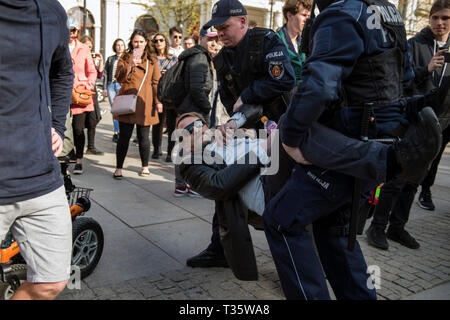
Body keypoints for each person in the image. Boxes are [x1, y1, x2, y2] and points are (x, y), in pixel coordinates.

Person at [262, 0, 442, 300]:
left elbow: (318, 86)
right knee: (333, 232)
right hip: (374, 138)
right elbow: (406, 80)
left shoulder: (341, 14)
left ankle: (391, 160)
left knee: (281, 220)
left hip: (348, 144)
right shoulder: (387, 11)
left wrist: (291, 138)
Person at [185, 0, 297, 269]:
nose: (220, 34)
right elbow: (227, 97)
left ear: (243, 22)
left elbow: (285, 79)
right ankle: (221, 249)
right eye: (217, 29)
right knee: (228, 187)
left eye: (225, 27)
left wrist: (248, 96)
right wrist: (238, 121)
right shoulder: (223, 57)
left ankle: (296, 264)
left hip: (282, 132)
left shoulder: (266, 41)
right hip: (250, 131)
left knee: (281, 199)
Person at [0, 0, 73, 299]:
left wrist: (56, 125)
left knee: (50, 283)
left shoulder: (51, 11)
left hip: (41, 177)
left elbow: (62, 72)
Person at [366, 0, 450, 251]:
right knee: (398, 177)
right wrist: (426, 69)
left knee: (416, 180)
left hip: (440, 124)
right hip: (412, 123)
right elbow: (400, 84)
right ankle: (377, 227)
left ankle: (397, 227)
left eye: (445, 18)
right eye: (435, 17)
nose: (439, 23)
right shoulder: (414, 45)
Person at [177, 112, 266, 280]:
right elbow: (218, 185)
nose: (195, 131)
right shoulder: (190, 162)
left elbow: (254, 109)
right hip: (271, 188)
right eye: (187, 131)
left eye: (197, 125)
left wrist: (238, 125)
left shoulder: (225, 134)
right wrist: (263, 149)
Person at [170, 27, 219, 197]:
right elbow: (197, 88)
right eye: (210, 39)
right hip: (194, 110)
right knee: (189, 149)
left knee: (188, 148)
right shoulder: (199, 57)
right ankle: (184, 184)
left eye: (216, 39)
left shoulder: (200, 55)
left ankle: (183, 184)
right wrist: (207, 108)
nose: (214, 42)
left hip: (190, 109)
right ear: (201, 39)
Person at [113, 29, 162, 179]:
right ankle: (119, 167)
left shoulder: (151, 60)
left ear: (146, 43)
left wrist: (158, 101)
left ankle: (145, 166)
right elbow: (118, 78)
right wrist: (129, 66)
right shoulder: (126, 57)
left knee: (144, 137)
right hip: (127, 101)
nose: (138, 44)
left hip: (144, 102)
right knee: (124, 137)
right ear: (131, 42)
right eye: (136, 42)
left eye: (141, 41)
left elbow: (156, 82)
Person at [68, 22, 98, 175]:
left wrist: (89, 84)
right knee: (62, 128)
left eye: (74, 30)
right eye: (68, 30)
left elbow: (92, 71)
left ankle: (79, 160)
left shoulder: (83, 48)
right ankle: (65, 157)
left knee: (78, 129)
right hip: (62, 92)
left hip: (80, 93)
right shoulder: (58, 47)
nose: (71, 33)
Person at [151, 33, 177, 160]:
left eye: (161, 40)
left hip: (170, 94)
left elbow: (177, 75)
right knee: (157, 124)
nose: (158, 43)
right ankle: (156, 149)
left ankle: (170, 152)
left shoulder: (173, 58)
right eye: (156, 41)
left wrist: (168, 74)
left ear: (165, 42)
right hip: (156, 94)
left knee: (172, 125)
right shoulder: (151, 59)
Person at [79, 34, 105, 156]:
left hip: (92, 92)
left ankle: (91, 146)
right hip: (81, 92)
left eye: (90, 47)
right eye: (86, 46)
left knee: (92, 120)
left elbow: (99, 76)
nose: (88, 49)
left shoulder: (91, 59)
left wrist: (100, 62)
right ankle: (77, 148)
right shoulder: (78, 57)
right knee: (79, 123)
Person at [276, 0, 312, 83]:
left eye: (308, 16)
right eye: (304, 15)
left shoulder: (307, 41)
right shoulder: (276, 40)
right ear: (289, 15)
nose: (307, 20)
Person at [104, 38, 126, 143]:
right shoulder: (110, 59)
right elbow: (105, 74)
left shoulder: (127, 59)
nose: (120, 47)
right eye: (118, 45)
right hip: (111, 85)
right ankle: (116, 132)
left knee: (120, 110)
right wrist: (104, 87)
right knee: (114, 109)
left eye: (122, 45)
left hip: (121, 85)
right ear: (115, 46)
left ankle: (121, 131)